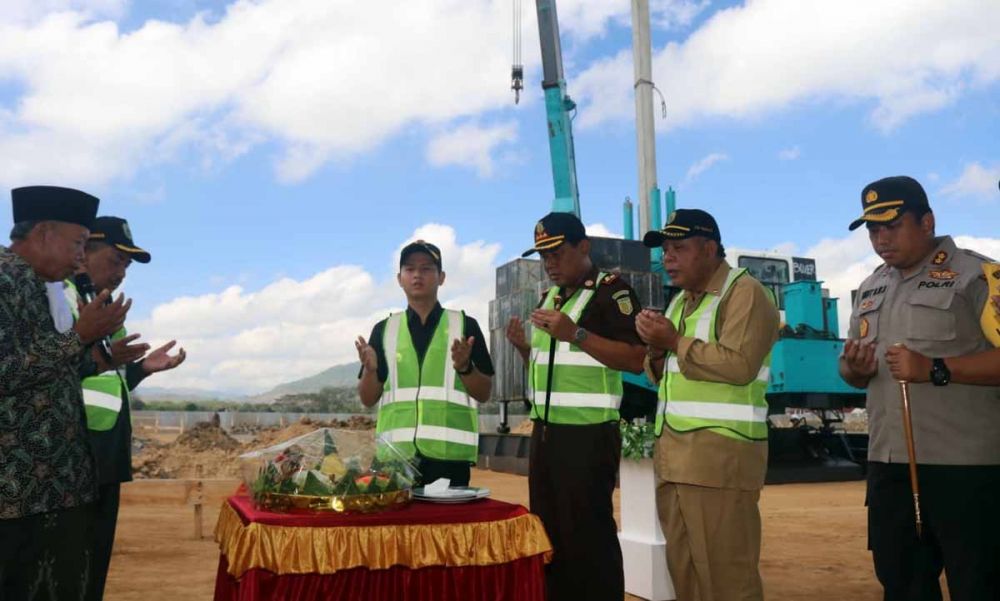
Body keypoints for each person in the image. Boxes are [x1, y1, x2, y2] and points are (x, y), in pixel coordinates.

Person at [839, 175, 1000, 600]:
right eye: (873, 230)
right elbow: (852, 373)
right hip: (888, 463)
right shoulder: (871, 287)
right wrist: (854, 369)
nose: (881, 239)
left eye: (892, 226)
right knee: (902, 583)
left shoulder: (978, 276)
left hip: (965, 469)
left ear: (927, 222)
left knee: (979, 584)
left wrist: (936, 368)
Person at [637, 208, 779, 601]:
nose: (668, 258)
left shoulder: (745, 292)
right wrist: (655, 349)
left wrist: (672, 342)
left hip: (720, 460)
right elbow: (665, 375)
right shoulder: (680, 302)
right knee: (686, 578)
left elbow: (739, 365)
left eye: (679, 248)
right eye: (665, 250)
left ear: (710, 249)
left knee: (728, 581)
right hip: (676, 460)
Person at [505, 212, 645, 601]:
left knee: (588, 536)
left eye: (557, 253)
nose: (549, 264)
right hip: (545, 436)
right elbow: (550, 368)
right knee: (548, 535)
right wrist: (524, 349)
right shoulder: (550, 298)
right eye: (543, 256)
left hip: (588, 435)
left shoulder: (610, 292)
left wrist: (576, 333)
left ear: (584, 247)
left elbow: (636, 359)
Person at [0, 186, 131, 600]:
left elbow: (51, 373)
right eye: (77, 243)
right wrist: (78, 336)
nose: (80, 258)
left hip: (58, 487)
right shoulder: (4, 278)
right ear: (43, 233)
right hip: (17, 493)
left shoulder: (44, 287)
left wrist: (104, 359)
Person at [69, 216, 187, 601]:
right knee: (67, 567)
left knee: (93, 564)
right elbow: (49, 371)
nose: (121, 272)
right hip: (72, 455)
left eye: (127, 265)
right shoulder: (62, 299)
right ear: (83, 253)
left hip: (105, 455)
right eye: (116, 260)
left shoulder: (106, 311)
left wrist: (141, 369)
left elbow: (104, 381)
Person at [355, 240, 493, 486]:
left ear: (441, 277)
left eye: (426, 268)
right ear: (399, 279)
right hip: (395, 459)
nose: (417, 275)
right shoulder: (384, 330)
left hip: (448, 460)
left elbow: (484, 393)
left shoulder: (465, 326)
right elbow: (367, 399)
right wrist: (370, 370)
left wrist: (465, 368)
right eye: (409, 269)